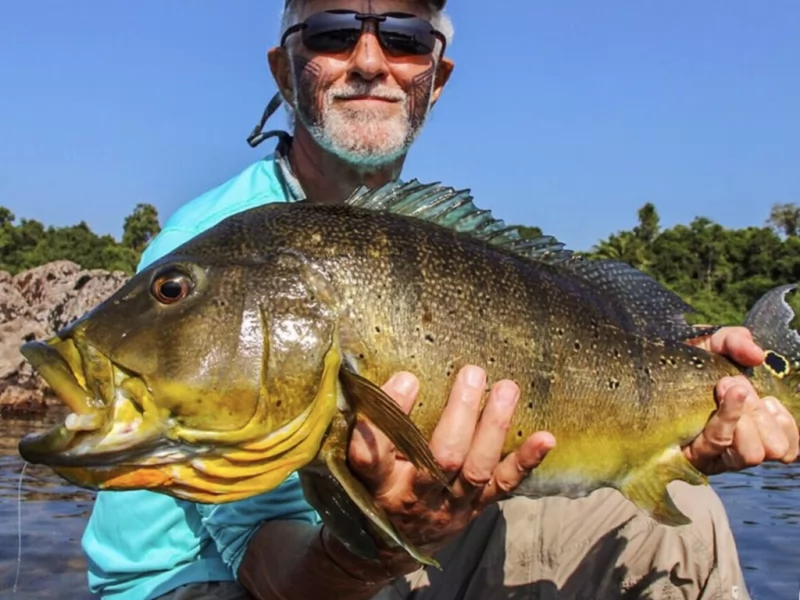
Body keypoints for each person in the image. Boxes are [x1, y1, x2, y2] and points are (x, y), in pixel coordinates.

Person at [81, 1, 800, 599]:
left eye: (403, 37)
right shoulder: (211, 250)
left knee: (685, 524)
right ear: (281, 66)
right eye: (333, 31)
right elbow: (275, 569)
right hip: (228, 581)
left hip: (379, 532)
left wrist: (677, 404)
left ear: (437, 76)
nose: (369, 60)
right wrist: (380, 551)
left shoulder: (415, 236)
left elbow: (549, 378)